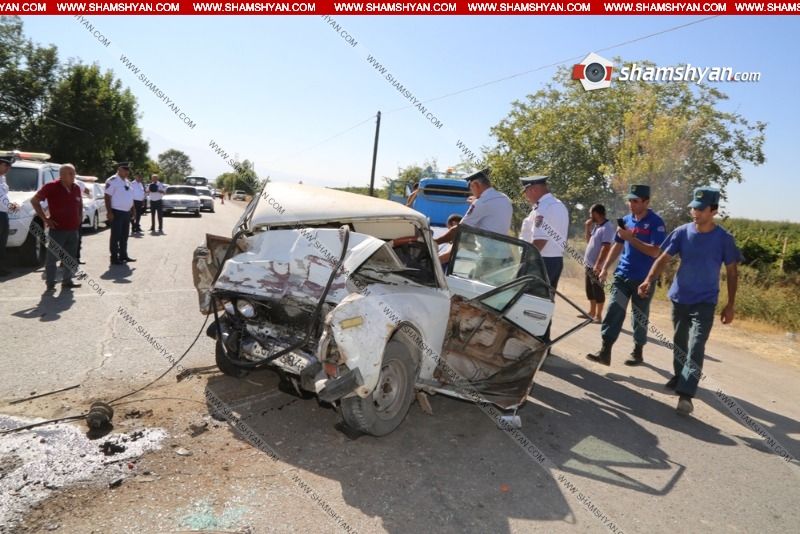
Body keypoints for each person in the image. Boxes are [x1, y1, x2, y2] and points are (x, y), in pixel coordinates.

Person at [638, 187, 741, 415]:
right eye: (693, 208)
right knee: (680, 341)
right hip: (680, 298)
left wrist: (730, 304)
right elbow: (663, 258)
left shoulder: (724, 239)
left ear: (713, 211)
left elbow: (732, 272)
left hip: (705, 301)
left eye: (701, 209)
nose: (695, 212)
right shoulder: (682, 232)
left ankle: (686, 394)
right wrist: (648, 280)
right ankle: (679, 376)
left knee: (696, 344)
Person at [586, 184, 666, 367]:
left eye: (635, 201)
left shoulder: (656, 223)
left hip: (644, 279)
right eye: (630, 200)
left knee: (639, 316)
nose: (631, 204)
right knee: (614, 309)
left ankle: (638, 352)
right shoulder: (626, 220)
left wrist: (631, 238)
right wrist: (605, 267)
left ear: (646, 202)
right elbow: (617, 245)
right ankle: (605, 351)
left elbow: (655, 252)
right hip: (622, 275)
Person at [434, 168, 512, 269]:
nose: (471, 191)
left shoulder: (481, 203)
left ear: (476, 184)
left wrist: (435, 242)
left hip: (489, 258)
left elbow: (459, 229)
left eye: (470, 187)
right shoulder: (504, 198)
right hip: (505, 255)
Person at [30, 164, 83, 291]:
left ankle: (67, 281)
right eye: (70, 173)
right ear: (62, 175)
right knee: (52, 258)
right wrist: (45, 219)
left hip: (73, 229)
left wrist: (80, 217)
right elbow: (34, 201)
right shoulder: (51, 186)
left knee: (70, 257)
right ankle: (50, 283)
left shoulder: (76, 188)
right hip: (57, 229)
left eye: (74, 173)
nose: (73, 176)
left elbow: (79, 203)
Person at [519, 176, 569, 291]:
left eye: (526, 192)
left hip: (541, 261)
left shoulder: (543, 207)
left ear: (533, 190)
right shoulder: (559, 204)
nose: (526, 197)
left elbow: (540, 241)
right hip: (555, 260)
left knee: (530, 298)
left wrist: (526, 262)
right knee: (545, 299)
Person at [583, 204, 615, 322]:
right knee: (590, 289)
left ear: (596, 213)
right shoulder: (597, 226)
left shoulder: (607, 227)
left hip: (597, 265)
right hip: (589, 264)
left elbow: (606, 247)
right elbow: (589, 241)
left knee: (597, 289)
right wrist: (587, 227)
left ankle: (598, 315)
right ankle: (591, 312)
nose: (590, 216)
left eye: (590, 213)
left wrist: (598, 264)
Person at [105, 162, 136, 265]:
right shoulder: (112, 180)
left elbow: (130, 197)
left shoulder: (127, 182)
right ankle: (114, 257)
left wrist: (133, 210)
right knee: (116, 236)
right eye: (125, 170)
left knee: (124, 235)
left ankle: (123, 255)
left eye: (128, 170)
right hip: (116, 212)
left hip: (126, 212)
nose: (127, 172)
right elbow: (107, 197)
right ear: (119, 169)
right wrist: (109, 212)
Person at [0, 155, 20, 277]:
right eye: (5, 165)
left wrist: (10, 205)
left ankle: (2, 268)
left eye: (9, 166)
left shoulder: (2, 178)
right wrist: (12, 206)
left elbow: (4, 197)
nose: (8, 168)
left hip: (3, 214)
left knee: (2, 243)